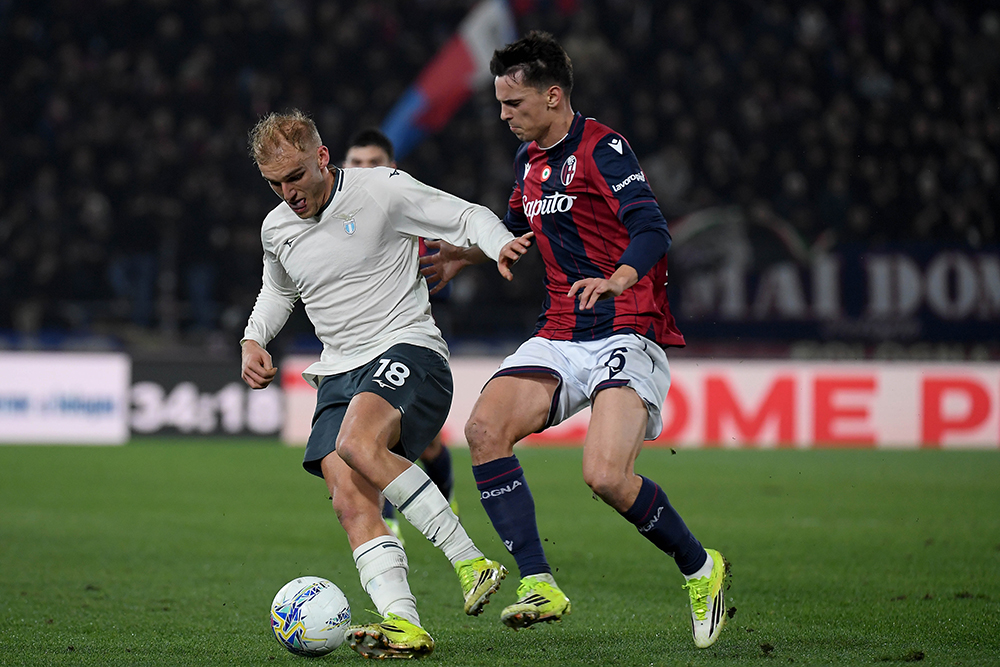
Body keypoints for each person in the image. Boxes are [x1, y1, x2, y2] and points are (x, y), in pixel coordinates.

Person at [424, 32, 729, 648]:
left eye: (513, 103)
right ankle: (539, 582)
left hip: (627, 324)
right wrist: (466, 253)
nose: (503, 115)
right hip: (562, 330)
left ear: (553, 96)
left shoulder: (603, 148)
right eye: (500, 104)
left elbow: (652, 228)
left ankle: (701, 568)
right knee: (484, 430)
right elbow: (516, 228)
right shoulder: (528, 161)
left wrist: (620, 277)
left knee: (606, 476)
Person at [240, 110, 533, 658]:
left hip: (407, 349)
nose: (288, 193)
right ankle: (404, 623)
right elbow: (278, 291)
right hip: (338, 372)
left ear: (322, 157)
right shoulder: (276, 228)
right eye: (275, 184)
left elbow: (464, 215)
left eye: (296, 176)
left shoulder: (382, 189)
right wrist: (253, 338)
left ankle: (471, 561)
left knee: (357, 443)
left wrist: (498, 244)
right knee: (350, 500)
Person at [342, 128, 459, 547]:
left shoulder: (405, 209)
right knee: (369, 437)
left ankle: (442, 503)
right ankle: (387, 520)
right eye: (356, 163)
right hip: (351, 346)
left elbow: (452, 237)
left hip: (404, 341)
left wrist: (452, 255)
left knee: (424, 444)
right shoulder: (326, 220)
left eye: (373, 163)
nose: (364, 171)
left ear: (392, 169)